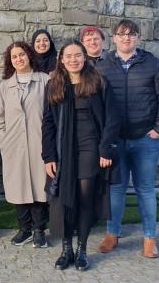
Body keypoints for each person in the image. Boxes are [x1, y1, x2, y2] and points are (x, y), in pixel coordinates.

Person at [95, 19, 159, 259]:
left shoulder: (152, 63)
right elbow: (94, 102)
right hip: (115, 140)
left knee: (146, 190)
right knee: (116, 190)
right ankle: (113, 234)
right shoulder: (104, 66)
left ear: (138, 38)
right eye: (122, 34)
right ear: (114, 38)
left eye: (131, 34)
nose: (126, 38)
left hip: (145, 140)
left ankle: (150, 238)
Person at [41, 40, 120, 271]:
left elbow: (112, 118)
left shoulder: (97, 81)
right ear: (62, 60)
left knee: (85, 199)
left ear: (84, 57)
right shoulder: (54, 85)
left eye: (78, 55)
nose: (73, 60)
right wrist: (48, 156)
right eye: (69, 56)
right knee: (66, 200)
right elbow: (47, 123)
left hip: (90, 148)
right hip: (63, 150)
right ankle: (66, 249)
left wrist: (106, 149)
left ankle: (82, 249)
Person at [0, 42, 51, 249]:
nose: (19, 59)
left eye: (22, 54)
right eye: (14, 56)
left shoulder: (45, 80)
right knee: (18, 186)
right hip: (14, 145)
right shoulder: (5, 86)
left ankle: (39, 230)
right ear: (10, 61)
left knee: (39, 187)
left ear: (29, 56)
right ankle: (24, 228)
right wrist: (2, 139)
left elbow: (53, 112)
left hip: (40, 143)